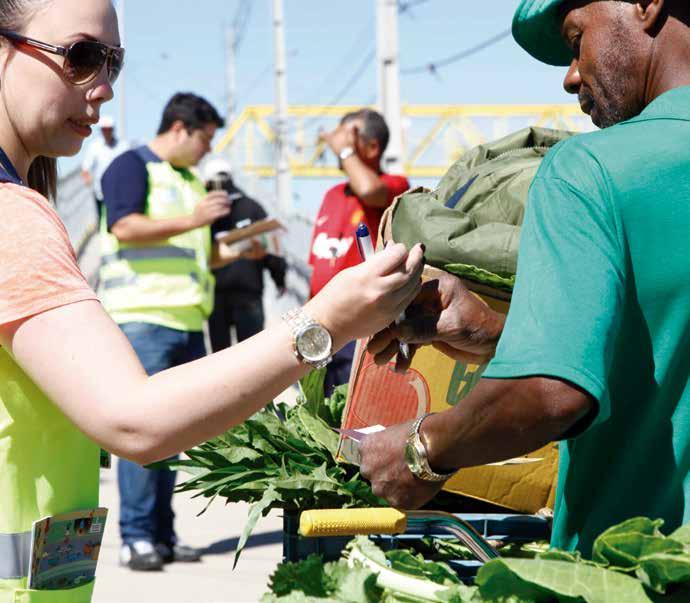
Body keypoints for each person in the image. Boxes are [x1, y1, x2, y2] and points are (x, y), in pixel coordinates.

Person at [0, 0, 425, 599]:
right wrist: (326, 323)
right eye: (80, 57)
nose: (102, 88)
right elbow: (134, 420)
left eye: (112, 63)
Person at [359, 0, 690, 556]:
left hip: (639, 572)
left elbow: (550, 393)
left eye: (574, 38)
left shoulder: (591, 171)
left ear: (646, 4)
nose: (571, 77)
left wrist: (422, 448)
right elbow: (659, 352)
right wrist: (495, 334)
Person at [97, 93, 260, 571]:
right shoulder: (131, 166)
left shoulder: (189, 181)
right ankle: (136, 537)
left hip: (189, 322)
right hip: (145, 319)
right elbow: (124, 226)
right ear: (181, 129)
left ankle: (163, 535)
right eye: (205, 139)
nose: (208, 150)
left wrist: (234, 255)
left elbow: (195, 253)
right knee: (145, 435)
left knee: (176, 439)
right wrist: (194, 219)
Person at [308, 109, 410, 395]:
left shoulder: (394, 185)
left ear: (372, 146)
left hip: (358, 331)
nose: (337, 142)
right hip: (320, 326)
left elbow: (368, 189)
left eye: (349, 135)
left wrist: (344, 152)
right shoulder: (332, 195)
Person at [203, 157, 287, 352]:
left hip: (216, 294)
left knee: (219, 359)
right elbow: (271, 246)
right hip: (249, 292)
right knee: (252, 355)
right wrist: (279, 278)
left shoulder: (204, 212)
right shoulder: (252, 207)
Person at [80, 114, 129, 216]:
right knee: (102, 217)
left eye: (109, 129)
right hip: (100, 190)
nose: (106, 132)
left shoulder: (122, 146)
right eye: (104, 129)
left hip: (119, 190)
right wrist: (87, 177)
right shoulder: (94, 147)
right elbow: (86, 167)